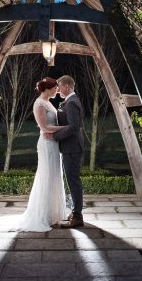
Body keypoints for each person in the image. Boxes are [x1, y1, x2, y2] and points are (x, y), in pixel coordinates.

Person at [0, 77, 66, 232]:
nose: (57, 90)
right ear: (48, 88)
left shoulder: (49, 103)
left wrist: (59, 130)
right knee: (46, 176)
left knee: (54, 176)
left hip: (54, 143)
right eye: (55, 88)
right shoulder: (39, 104)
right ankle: (41, 215)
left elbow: (51, 126)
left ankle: (52, 214)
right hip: (46, 144)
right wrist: (66, 128)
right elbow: (45, 127)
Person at [47, 75, 85, 228]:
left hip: (72, 147)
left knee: (73, 181)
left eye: (60, 86)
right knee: (72, 180)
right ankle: (75, 212)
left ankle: (77, 217)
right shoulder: (69, 101)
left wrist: (54, 136)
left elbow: (74, 127)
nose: (57, 90)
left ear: (67, 87)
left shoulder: (72, 103)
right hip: (70, 147)